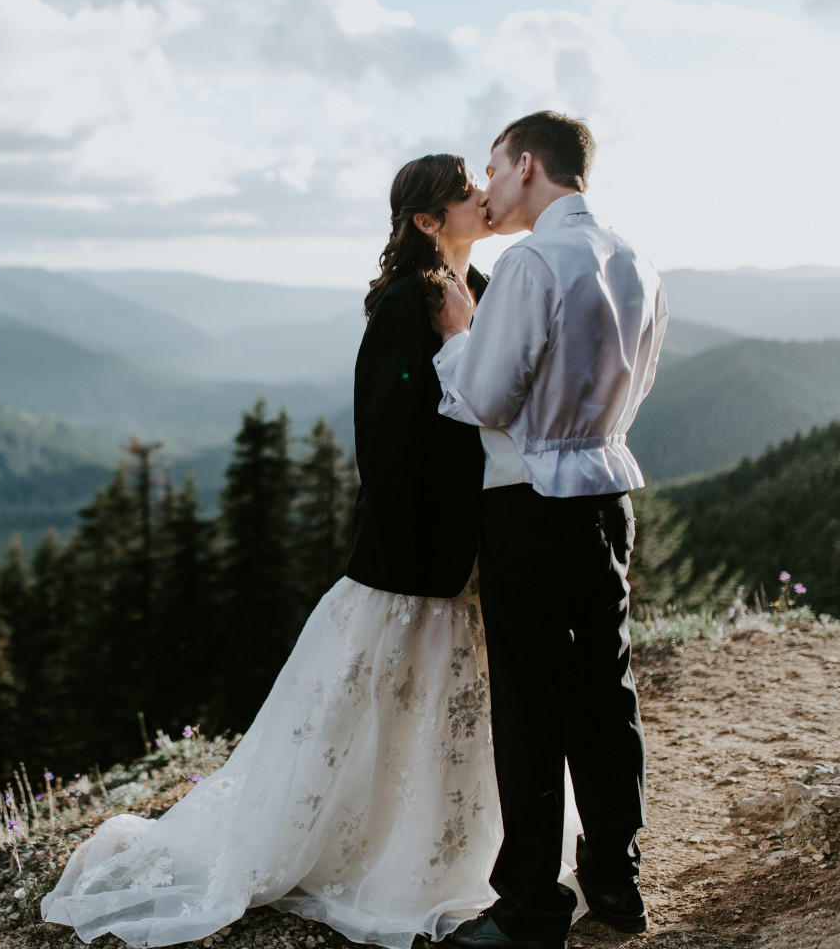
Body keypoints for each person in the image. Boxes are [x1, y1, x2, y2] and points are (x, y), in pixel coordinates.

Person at [40, 154, 579, 949]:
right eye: (466, 192)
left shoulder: (486, 292)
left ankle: (461, 853)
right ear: (429, 222)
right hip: (417, 555)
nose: (483, 197)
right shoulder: (407, 302)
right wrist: (439, 546)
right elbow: (390, 436)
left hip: (479, 542)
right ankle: (369, 852)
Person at [431, 112, 667, 949]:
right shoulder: (635, 260)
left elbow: (485, 399)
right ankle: (614, 877)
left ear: (526, 165)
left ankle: (530, 907)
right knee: (606, 695)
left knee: (529, 708)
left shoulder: (529, 261)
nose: (489, 188)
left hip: (530, 504)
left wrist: (459, 337)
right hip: (608, 499)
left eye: (494, 169)